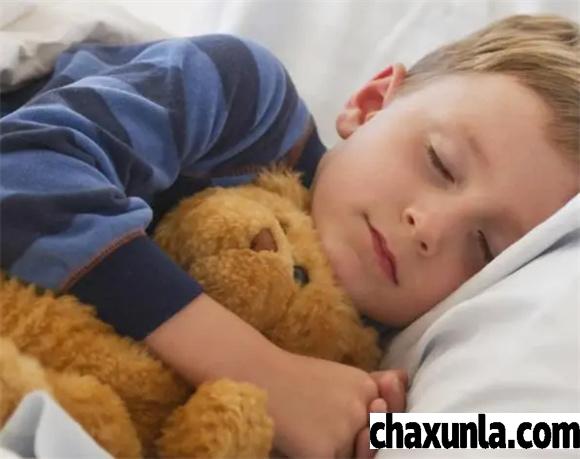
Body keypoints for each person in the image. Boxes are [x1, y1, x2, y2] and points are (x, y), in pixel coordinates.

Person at [1, 13, 578, 458]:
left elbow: (508, 432)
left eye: (484, 248)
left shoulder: (367, 360)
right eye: (440, 163)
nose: (429, 227)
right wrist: (263, 372)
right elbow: (24, 172)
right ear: (370, 105)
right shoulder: (245, 99)